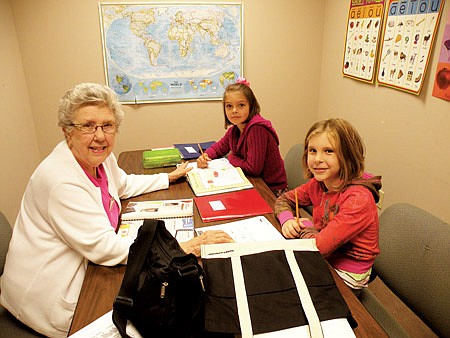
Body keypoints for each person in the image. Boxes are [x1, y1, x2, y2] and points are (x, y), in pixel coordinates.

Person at [0, 83, 232, 337]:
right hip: (51, 294)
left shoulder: (99, 157)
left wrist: (167, 178)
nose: (100, 136)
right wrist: (181, 248)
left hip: (87, 265)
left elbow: (123, 184)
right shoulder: (60, 181)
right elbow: (105, 249)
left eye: (107, 125)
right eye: (87, 126)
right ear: (67, 131)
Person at [274, 118, 382, 295]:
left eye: (328, 151)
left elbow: (319, 247)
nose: (317, 159)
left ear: (347, 155)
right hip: (324, 254)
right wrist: (286, 220)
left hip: (347, 272)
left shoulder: (358, 199)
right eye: (312, 151)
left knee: (284, 289)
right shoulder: (319, 183)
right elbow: (283, 200)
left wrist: (305, 226)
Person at [197, 77, 287, 196]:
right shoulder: (235, 129)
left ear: (251, 106)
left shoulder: (257, 129)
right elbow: (218, 148)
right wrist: (205, 157)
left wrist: (231, 157)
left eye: (241, 105)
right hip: (252, 184)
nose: (234, 110)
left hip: (272, 191)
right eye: (229, 106)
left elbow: (253, 169)